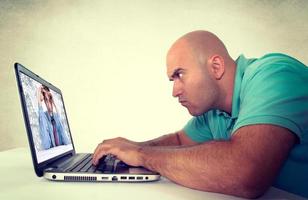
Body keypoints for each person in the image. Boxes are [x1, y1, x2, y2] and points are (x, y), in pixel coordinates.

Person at [92, 31, 308, 198]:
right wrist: (129, 150)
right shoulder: (214, 111)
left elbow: (246, 173)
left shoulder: (275, 74)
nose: (174, 91)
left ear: (216, 67)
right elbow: (179, 141)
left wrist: (141, 154)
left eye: (179, 74)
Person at [37, 85, 70, 150]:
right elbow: (46, 145)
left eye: (50, 99)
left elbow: (66, 141)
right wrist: (39, 98)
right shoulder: (44, 117)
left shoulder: (56, 117)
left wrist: (54, 103)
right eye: (46, 100)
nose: (49, 103)